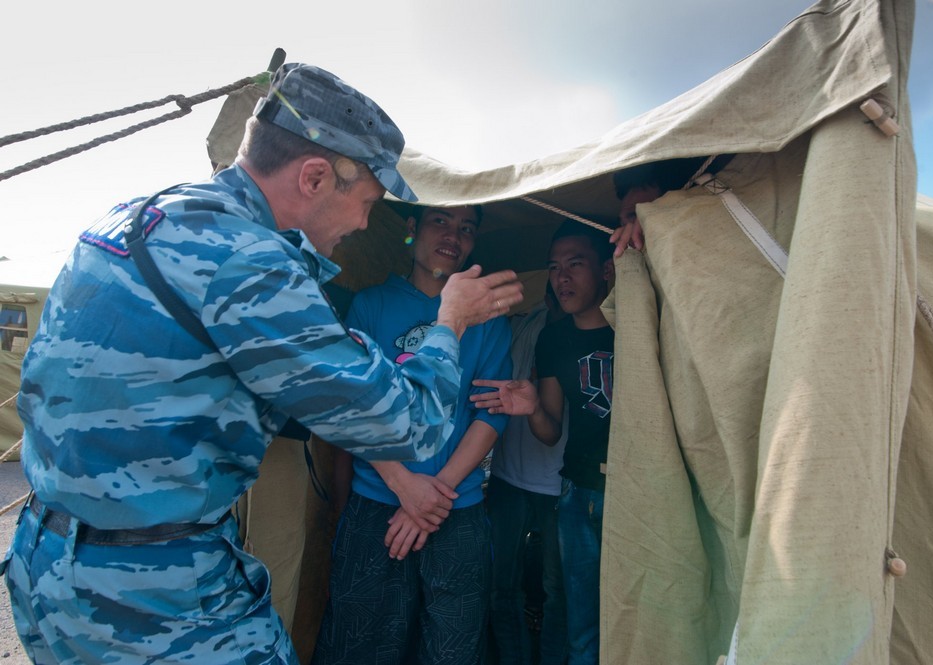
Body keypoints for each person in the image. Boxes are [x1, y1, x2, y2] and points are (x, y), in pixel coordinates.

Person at [2, 63, 523, 665]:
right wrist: (450, 321)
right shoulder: (252, 265)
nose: (363, 224)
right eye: (368, 202)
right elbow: (410, 424)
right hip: (153, 596)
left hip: (48, 567)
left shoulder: (130, 219)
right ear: (314, 176)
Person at [311, 204, 512, 665]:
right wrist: (405, 487)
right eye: (440, 220)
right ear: (410, 228)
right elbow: (351, 408)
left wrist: (431, 499)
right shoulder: (371, 305)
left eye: (466, 228)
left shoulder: (490, 319)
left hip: (456, 510)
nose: (453, 235)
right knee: (359, 645)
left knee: (451, 649)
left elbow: (490, 416)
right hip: (377, 503)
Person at [472, 220, 615, 665]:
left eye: (576, 264)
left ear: (607, 269)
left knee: (614, 610)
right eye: (555, 267)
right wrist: (533, 407)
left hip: (630, 489)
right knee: (576, 622)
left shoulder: (639, 322)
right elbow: (551, 428)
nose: (562, 277)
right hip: (575, 488)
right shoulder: (553, 338)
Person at [485, 291, 568, 665]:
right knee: (502, 585)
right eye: (553, 269)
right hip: (509, 475)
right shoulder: (522, 324)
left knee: (558, 591)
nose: (561, 280)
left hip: (564, 482)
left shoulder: (601, 333)